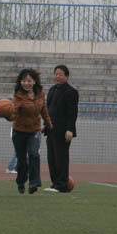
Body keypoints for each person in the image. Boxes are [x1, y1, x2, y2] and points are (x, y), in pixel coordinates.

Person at [10, 68, 52, 194]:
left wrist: (48, 124)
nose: (26, 83)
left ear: (34, 81)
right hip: (19, 131)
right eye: (23, 81)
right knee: (22, 160)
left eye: (29, 81)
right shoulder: (17, 96)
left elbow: (44, 109)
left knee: (34, 154)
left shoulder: (40, 93)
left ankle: (34, 182)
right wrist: (8, 115)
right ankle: (21, 181)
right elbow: (13, 113)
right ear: (20, 82)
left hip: (34, 130)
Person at [45, 65, 79, 193]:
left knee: (61, 158)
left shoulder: (71, 92)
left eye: (60, 74)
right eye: (56, 74)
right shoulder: (52, 90)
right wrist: (45, 124)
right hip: (51, 130)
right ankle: (55, 183)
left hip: (63, 131)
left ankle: (62, 185)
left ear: (66, 76)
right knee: (52, 158)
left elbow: (72, 113)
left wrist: (70, 129)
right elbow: (48, 110)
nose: (57, 76)